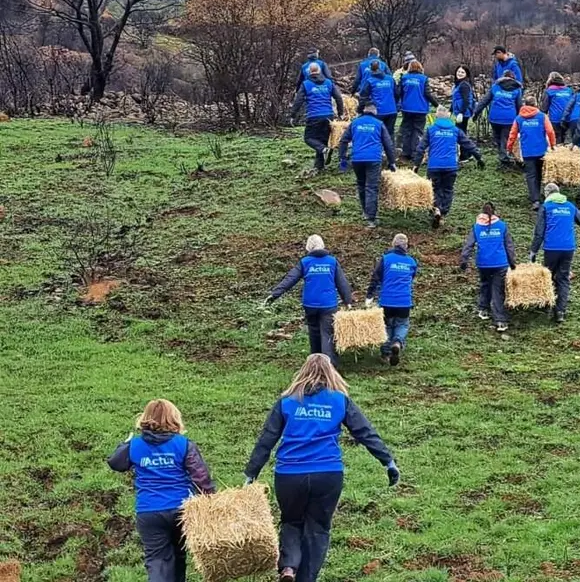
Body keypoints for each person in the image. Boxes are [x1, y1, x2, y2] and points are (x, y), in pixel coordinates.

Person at [245, 354, 398, 582]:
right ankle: (306, 578)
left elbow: (267, 438)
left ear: (302, 372)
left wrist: (251, 473)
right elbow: (365, 432)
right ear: (331, 373)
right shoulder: (339, 400)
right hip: (327, 474)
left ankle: (288, 567)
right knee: (318, 528)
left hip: (289, 475)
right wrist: (388, 461)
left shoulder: (287, 401)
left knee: (291, 521)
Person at [108, 400, 216, 582]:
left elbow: (115, 463)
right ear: (174, 418)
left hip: (149, 512)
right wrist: (212, 504)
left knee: (158, 561)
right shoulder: (183, 444)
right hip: (181, 510)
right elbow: (201, 478)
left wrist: (123, 445)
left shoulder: (134, 445)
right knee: (179, 557)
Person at [265, 235, 354, 365]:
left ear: (308, 247)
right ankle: (330, 366)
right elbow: (342, 283)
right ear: (322, 245)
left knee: (314, 333)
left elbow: (290, 279)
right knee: (328, 334)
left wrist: (274, 294)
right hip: (328, 305)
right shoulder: (332, 261)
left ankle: (315, 364)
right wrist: (348, 301)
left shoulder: (305, 262)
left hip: (310, 305)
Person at [530, 183, 580, 323]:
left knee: (548, 276)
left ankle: (546, 305)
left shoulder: (546, 207)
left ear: (547, 194)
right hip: (568, 248)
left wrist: (533, 251)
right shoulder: (569, 206)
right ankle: (560, 312)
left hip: (551, 248)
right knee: (563, 278)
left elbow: (539, 232)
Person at [414, 105, 483, 226]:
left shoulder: (431, 130)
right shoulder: (455, 130)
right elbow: (468, 144)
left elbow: (420, 148)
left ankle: (436, 208)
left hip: (434, 166)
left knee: (434, 189)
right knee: (447, 189)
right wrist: (479, 157)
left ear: (436, 116)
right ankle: (443, 213)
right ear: (448, 117)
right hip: (450, 166)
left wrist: (416, 165)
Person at [336, 101, 397, 228]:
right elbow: (388, 144)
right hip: (374, 159)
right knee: (371, 187)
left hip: (357, 159)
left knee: (361, 185)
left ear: (364, 110)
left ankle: (365, 211)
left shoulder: (355, 123)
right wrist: (392, 162)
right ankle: (371, 218)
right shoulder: (379, 124)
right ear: (374, 111)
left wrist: (342, 157)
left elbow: (343, 141)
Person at [460, 202, 518, 333]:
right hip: (500, 263)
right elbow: (509, 246)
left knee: (485, 284)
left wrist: (464, 261)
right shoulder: (502, 226)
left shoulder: (476, 227)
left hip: (483, 263)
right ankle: (500, 320)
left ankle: (483, 309)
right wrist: (512, 263)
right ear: (495, 211)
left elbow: (468, 245)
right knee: (498, 290)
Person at [366, 233, 417, 366]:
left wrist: (370, 294)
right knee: (402, 324)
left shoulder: (386, 259)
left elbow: (376, 277)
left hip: (387, 300)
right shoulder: (411, 262)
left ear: (393, 244)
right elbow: (412, 277)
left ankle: (386, 354)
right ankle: (397, 342)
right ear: (406, 246)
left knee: (386, 325)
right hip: (404, 301)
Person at [290, 63, 345, 175]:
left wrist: (293, 115)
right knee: (322, 141)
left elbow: (298, 100)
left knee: (308, 138)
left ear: (309, 72)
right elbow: (338, 97)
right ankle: (319, 166)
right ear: (320, 71)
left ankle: (324, 152)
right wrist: (340, 113)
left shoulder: (306, 84)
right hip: (328, 116)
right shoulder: (328, 83)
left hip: (314, 116)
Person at [508, 95, 557, 208]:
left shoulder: (519, 118)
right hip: (541, 150)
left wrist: (509, 148)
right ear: (535, 104)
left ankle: (535, 200)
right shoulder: (542, 116)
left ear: (525, 104)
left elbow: (512, 135)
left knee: (530, 175)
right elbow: (550, 131)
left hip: (527, 151)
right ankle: (538, 194)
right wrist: (553, 145)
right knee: (539, 173)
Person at [475, 70, 523, 168]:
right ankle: (504, 159)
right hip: (509, 119)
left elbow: (485, 100)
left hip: (494, 118)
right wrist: (520, 119)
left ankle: (503, 157)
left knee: (498, 138)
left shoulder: (496, 87)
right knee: (505, 139)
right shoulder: (517, 89)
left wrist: (476, 112)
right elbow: (519, 106)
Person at [395, 60, 434, 162]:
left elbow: (398, 93)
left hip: (407, 108)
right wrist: (437, 105)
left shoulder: (404, 78)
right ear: (420, 68)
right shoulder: (424, 79)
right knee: (418, 131)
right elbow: (427, 94)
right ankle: (415, 153)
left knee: (407, 130)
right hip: (420, 109)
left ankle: (405, 153)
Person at [356, 61, 399, 143]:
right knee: (390, 134)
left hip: (377, 112)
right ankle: (391, 150)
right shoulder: (390, 79)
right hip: (392, 111)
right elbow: (397, 94)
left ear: (371, 69)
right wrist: (395, 105)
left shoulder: (370, 81)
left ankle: (378, 150)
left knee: (377, 134)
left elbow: (363, 97)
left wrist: (360, 109)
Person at [544, 72, 579, 143]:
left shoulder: (549, 91)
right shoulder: (569, 90)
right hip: (568, 118)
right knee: (568, 140)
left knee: (557, 139)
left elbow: (544, 107)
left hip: (555, 119)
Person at [451, 65, 476, 132]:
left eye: (462, 72)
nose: (460, 73)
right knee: (459, 131)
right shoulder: (458, 84)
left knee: (460, 132)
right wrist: (450, 110)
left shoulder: (464, 85)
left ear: (466, 74)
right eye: (458, 71)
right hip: (459, 112)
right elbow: (455, 99)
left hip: (463, 113)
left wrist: (461, 113)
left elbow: (466, 100)